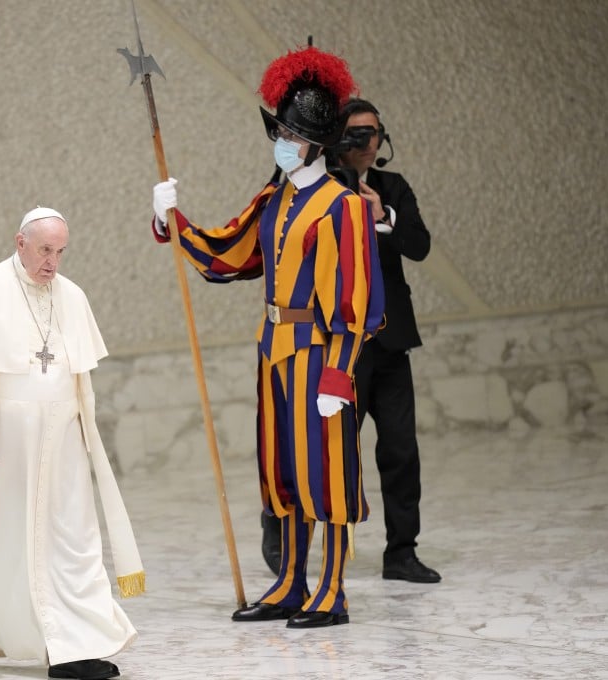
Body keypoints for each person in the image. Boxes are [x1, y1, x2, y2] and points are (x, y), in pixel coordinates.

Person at [149, 45, 385, 628]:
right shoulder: (274, 199)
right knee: (282, 471)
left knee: (325, 472)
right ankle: (290, 582)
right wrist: (170, 222)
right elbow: (228, 254)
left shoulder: (344, 208)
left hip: (320, 355)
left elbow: (357, 303)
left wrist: (339, 374)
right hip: (274, 352)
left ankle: (330, 591)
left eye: (289, 133)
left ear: (313, 143)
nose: (280, 141)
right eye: (278, 130)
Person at [0, 207, 143, 680]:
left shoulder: (72, 296)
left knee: (69, 542)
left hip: (59, 442)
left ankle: (71, 648)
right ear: (20, 242)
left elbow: (80, 377)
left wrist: (81, 434)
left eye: (60, 252)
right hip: (0, 441)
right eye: (44, 250)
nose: (52, 262)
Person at [332, 98, 440, 583]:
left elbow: (418, 245)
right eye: (354, 133)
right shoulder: (323, 190)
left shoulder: (392, 187)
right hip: (342, 345)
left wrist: (384, 214)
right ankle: (300, 546)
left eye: (372, 133)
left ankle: (401, 552)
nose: (365, 142)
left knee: (400, 449)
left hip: (391, 341)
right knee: (332, 453)